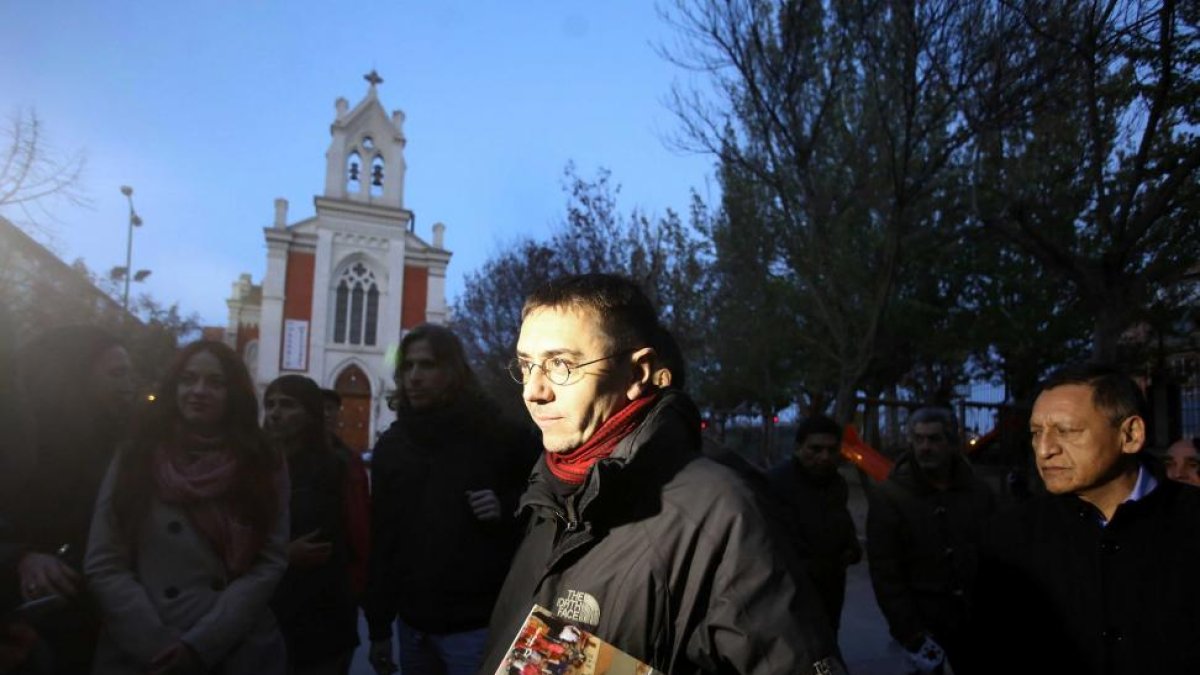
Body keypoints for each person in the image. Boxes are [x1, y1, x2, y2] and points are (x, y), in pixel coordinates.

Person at [479, 273, 844, 675]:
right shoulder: (547, 494)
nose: (534, 390)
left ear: (638, 374)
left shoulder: (722, 512)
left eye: (561, 365)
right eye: (527, 365)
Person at [970, 364, 1200, 675]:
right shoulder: (1009, 537)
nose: (1045, 450)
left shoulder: (1190, 518)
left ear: (1130, 435)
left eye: (1066, 431)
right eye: (1037, 433)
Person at [85, 340, 288, 675]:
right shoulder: (136, 455)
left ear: (234, 392)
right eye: (188, 379)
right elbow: (104, 561)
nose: (198, 390)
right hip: (145, 648)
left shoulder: (263, 460)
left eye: (215, 382)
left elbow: (269, 562)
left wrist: (201, 646)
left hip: (232, 647)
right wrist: (156, 645)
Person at [364, 324, 538, 675]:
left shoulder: (496, 434)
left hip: (477, 627)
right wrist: (379, 628)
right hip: (412, 627)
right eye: (408, 367)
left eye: (426, 366)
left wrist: (506, 505)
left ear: (452, 371)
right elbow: (383, 541)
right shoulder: (392, 447)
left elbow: (545, 494)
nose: (414, 377)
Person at [1, 326, 135, 674]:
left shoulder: (121, 445)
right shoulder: (19, 443)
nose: (130, 385)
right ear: (79, 375)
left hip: (89, 623)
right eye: (117, 373)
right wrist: (21, 556)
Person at [866, 407, 995, 674]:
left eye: (934, 439)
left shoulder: (978, 493)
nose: (925, 447)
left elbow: (995, 556)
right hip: (923, 624)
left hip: (975, 622)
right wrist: (909, 632)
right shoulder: (890, 496)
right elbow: (885, 572)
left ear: (951, 442)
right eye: (919, 439)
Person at [264, 376, 359, 674]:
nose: (275, 413)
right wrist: (284, 553)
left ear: (310, 413)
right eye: (270, 404)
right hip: (266, 616)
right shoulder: (255, 466)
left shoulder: (334, 469)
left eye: (287, 404)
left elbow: (329, 544)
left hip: (320, 621)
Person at [767, 415, 862, 637]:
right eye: (815, 449)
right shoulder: (775, 484)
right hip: (793, 593)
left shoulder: (836, 483)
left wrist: (850, 549)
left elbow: (841, 520)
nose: (824, 457)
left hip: (830, 589)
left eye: (831, 450)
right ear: (799, 447)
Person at [319, 389, 370, 600]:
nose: (325, 414)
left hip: (342, 568)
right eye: (319, 408)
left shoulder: (351, 460)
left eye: (330, 408)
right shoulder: (284, 456)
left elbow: (361, 514)